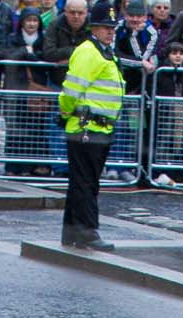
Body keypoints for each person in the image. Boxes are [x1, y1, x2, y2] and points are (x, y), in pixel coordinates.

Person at [59, 2, 124, 250]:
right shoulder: (89, 52)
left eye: (112, 27)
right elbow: (72, 90)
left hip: (97, 127)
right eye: (105, 27)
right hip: (87, 127)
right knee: (86, 182)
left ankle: (72, 231)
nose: (110, 31)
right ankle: (87, 231)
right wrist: (66, 111)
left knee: (82, 181)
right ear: (94, 27)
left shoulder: (102, 50)